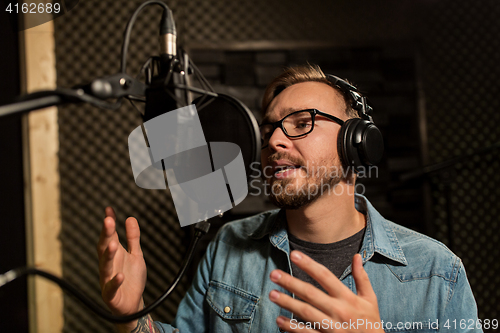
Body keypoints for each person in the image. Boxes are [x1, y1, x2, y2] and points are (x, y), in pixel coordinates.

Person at [97, 64, 481, 333]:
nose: (275, 141)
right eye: (269, 130)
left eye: (301, 123)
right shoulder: (228, 244)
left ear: (356, 142)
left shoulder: (436, 272)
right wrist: (133, 320)